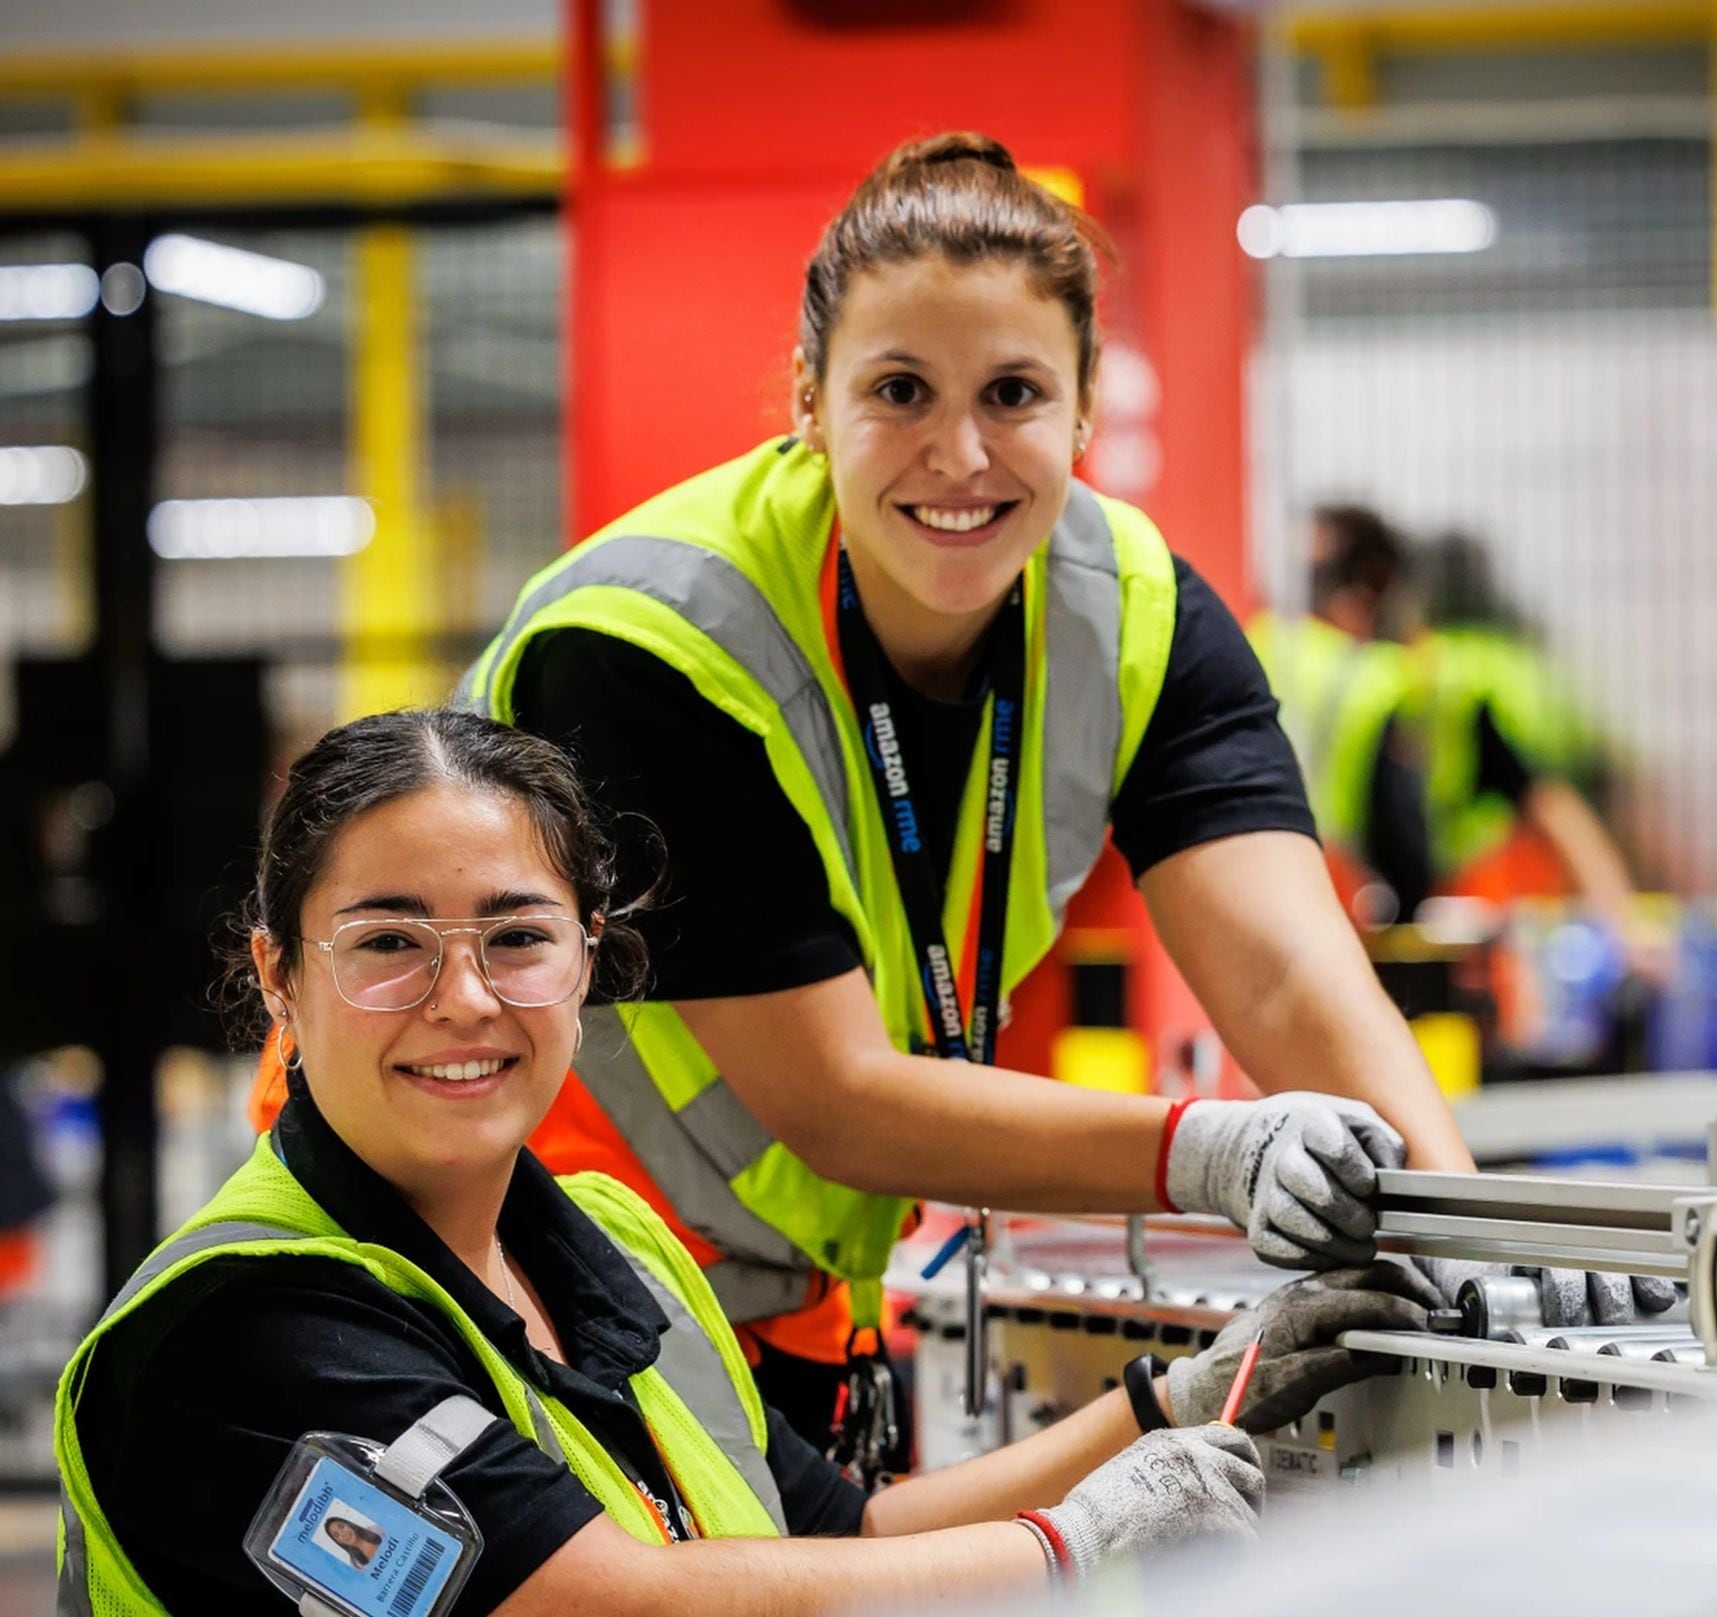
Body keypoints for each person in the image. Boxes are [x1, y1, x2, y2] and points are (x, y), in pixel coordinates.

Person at [446, 130, 1473, 1444]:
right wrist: (1213, 1153)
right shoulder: (653, 647)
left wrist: (1466, 1233)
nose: (961, 454)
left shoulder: (1139, 614)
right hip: (494, 1252)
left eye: (1013, 394)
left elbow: (1284, 975)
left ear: (1085, 410)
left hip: (765, 1286)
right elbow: (832, 1096)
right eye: (900, 391)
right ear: (809, 399)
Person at [56, 710, 1429, 1616]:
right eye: (388, 943)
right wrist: (1074, 1546)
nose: (463, 1000)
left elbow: (846, 1540)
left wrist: (1171, 1403)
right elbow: (604, 1608)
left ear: (589, 960)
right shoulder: (243, 1331)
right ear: (280, 977)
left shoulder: (609, 1242)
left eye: (518, 938)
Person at [1410, 533, 1674, 988]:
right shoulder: (1523, 660)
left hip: (1479, 909)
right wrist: (1624, 919)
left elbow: (1546, 797)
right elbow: (1569, 790)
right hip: (1535, 900)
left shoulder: (1441, 674)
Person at [1247, 504, 1434, 922]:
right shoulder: (1377, 679)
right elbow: (1404, 843)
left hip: (1240, 898)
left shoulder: (1251, 643)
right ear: (1374, 582)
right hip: (1338, 910)